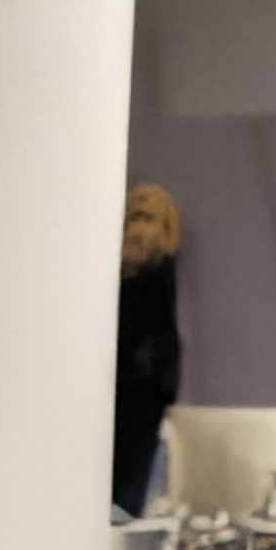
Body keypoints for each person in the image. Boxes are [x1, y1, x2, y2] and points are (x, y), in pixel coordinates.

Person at [113, 184, 182, 518]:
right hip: (121, 383)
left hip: (143, 389)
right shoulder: (127, 274)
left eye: (147, 218)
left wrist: (168, 393)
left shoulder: (159, 273)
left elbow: (167, 337)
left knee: (131, 478)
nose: (138, 227)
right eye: (134, 217)